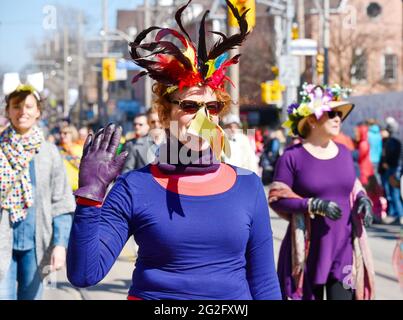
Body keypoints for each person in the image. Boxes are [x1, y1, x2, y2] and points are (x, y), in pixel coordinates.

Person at [66, 0, 281, 300]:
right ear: (166, 115)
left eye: (213, 107)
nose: (203, 117)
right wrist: (89, 199)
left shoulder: (248, 186)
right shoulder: (134, 186)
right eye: (190, 106)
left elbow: (265, 284)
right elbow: (84, 273)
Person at [270, 83, 375, 300]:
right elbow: (276, 197)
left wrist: (364, 199)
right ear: (311, 119)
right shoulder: (292, 157)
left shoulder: (345, 152)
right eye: (332, 113)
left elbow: (353, 185)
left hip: (344, 250)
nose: (338, 119)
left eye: (340, 115)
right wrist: (312, 204)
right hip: (308, 252)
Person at [0, 73, 75, 300]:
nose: (23, 111)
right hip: (3, 242)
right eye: (16, 106)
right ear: (8, 111)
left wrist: (60, 245)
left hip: (36, 244)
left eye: (29, 106)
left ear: (38, 111)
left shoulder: (49, 153)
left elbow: (61, 202)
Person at [122, 107, 166, 173]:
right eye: (153, 122)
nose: (156, 125)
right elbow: (127, 173)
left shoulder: (175, 144)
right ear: (148, 123)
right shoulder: (135, 146)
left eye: (159, 121)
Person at [379, 117, 403, 224]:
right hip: (394, 168)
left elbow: (393, 156)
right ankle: (395, 214)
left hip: (393, 169)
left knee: (394, 193)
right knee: (392, 192)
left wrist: (388, 164)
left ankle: (398, 214)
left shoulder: (393, 141)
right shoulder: (393, 140)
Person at [59, 125, 82, 192]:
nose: (62, 135)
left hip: (77, 189)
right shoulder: (58, 150)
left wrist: (71, 155)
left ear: (72, 134)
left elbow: (83, 167)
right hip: (63, 189)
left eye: (65, 133)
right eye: (60, 133)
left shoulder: (79, 149)